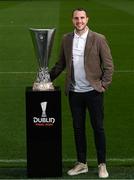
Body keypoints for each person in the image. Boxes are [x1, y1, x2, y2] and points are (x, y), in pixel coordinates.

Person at [50, 8, 114, 178]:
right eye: (76, 18)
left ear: (87, 19)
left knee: (98, 128)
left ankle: (102, 164)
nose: (79, 21)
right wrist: (46, 79)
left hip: (94, 92)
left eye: (82, 18)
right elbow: (60, 65)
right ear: (72, 20)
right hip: (74, 92)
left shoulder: (98, 39)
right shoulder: (66, 39)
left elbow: (109, 65)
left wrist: (103, 86)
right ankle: (82, 163)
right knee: (78, 128)